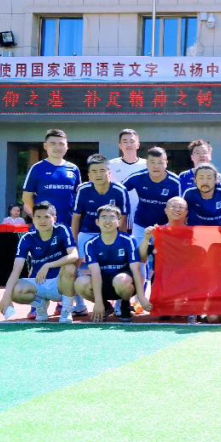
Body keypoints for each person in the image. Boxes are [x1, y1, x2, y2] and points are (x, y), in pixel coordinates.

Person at [0, 202, 79, 323]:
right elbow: (16, 270)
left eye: (46, 217)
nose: (42, 221)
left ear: (54, 219)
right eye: (38, 217)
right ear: (33, 219)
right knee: (14, 290)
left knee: (70, 267)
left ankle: (66, 311)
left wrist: (48, 265)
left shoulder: (62, 230)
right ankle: (40, 306)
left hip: (60, 283)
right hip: (38, 282)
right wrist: (6, 296)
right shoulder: (27, 238)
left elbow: (74, 255)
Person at [75, 205, 151, 322]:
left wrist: (141, 297)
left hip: (124, 284)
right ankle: (105, 306)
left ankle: (125, 305)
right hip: (103, 284)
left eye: (112, 217)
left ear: (119, 222)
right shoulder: (90, 244)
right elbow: (95, 273)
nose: (107, 221)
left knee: (121, 280)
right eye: (104, 217)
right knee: (80, 283)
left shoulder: (129, 240)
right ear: (97, 222)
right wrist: (98, 302)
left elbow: (136, 270)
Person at [72, 154, 131, 285]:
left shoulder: (120, 190)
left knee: (118, 265)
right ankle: (75, 296)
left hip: (112, 234)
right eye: (94, 171)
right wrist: (74, 242)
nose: (98, 174)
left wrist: (121, 241)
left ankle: (117, 296)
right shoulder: (83, 190)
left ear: (109, 173)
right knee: (73, 264)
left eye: (102, 170)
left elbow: (123, 220)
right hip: (87, 232)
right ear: (89, 175)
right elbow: (76, 218)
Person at [22, 129, 81, 226]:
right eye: (53, 143)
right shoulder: (37, 168)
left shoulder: (74, 169)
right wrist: (39, 215)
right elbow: (26, 197)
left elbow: (78, 196)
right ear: (45, 146)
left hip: (68, 224)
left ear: (67, 146)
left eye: (61, 144)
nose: (57, 147)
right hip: (44, 225)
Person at [123, 147, 182, 241]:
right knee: (139, 250)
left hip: (165, 226)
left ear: (166, 163)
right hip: (140, 225)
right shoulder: (137, 177)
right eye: (152, 162)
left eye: (160, 162)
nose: (156, 166)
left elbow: (182, 206)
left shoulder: (175, 182)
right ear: (146, 163)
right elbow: (119, 190)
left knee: (162, 251)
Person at [108, 129, 145, 225]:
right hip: (117, 214)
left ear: (138, 145)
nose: (128, 144)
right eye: (125, 141)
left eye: (132, 141)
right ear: (120, 145)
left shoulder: (146, 165)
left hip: (141, 215)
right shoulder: (110, 165)